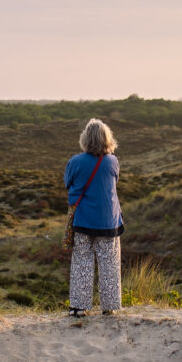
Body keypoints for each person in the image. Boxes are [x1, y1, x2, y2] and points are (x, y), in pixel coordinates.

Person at [64, 118, 123, 317]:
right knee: (110, 263)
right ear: (107, 139)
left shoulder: (75, 161)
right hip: (108, 220)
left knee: (82, 261)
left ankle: (79, 307)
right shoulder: (113, 161)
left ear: (85, 139)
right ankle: (110, 306)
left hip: (82, 220)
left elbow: (67, 183)